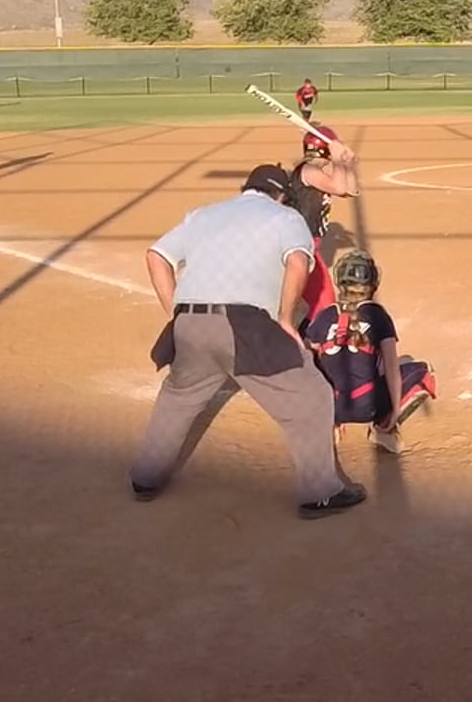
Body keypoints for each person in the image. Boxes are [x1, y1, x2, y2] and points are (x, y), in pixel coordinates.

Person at [132, 164, 366, 518]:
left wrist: (176, 314)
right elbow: (298, 264)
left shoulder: (203, 214)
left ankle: (145, 478)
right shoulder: (286, 217)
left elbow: (156, 256)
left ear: (246, 188)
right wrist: (285, 320)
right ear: (281, 195)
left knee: (178, 396)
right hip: (245, 324)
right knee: (311, 393)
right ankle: (320, 492)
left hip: (191, 322)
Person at [304, 248, 438, 457]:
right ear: (374, 283)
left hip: (330, 407)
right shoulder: (378, 316)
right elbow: (392, 370)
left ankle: (331, 427)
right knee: (423, 371)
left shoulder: (325, 314)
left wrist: (321, 408)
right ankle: (383, 428)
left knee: (319, 362)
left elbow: (307, 359)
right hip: (368, 407)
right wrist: (395, 411)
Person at [285, 124, 362, 332]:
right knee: (324, 303)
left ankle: (307, 335)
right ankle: (314, 340)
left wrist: (347, 164)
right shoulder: (308, 170)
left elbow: (349, 190)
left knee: (316, 302)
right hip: (301, 247)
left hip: (308, 247)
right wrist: (337, 160)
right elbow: (338, 186)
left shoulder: (314, 171)